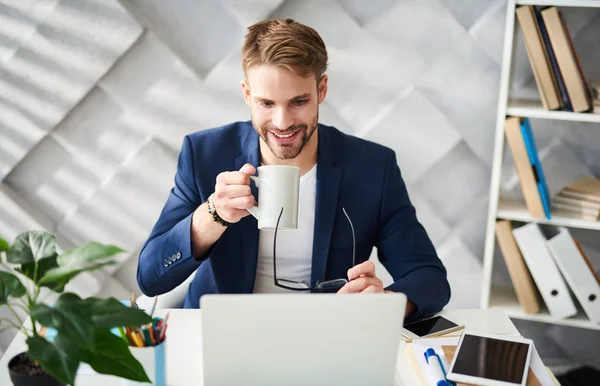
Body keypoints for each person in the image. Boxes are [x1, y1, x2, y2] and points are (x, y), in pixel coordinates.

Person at [137, 18, 450, 319]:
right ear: (247, 94)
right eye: (266, 103)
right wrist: (212, 216)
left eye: (298, 102)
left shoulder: (372, 168)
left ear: (321, 90)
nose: (282, 122)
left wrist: (386, 304)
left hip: (323, 337)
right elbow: (150, 277)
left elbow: (428, 276)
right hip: (222, 334)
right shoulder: (204, 154)